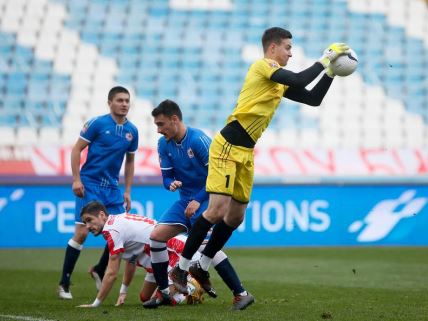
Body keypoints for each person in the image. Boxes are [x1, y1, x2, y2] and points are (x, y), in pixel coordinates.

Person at [170, 27, 350, 305]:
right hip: (227, 145)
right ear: (273, 48)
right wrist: (325, 59)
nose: (291, 52)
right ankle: (180, 269)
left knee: (235, 218)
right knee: (216, 211)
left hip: (245, 151)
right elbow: (301, 78)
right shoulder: (263, 66)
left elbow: (313, 99)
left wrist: (330, 73)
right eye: (288, 47)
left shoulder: (277, 81)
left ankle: (201, 267)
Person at [144, 100, 254, 310]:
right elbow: (166, 178)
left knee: (206, 247)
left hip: (207, 198)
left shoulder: (199, 140)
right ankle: (166, 293)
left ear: (174, 120)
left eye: (161, 124)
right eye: (156, 125)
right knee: (156, 237)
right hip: (185, 200)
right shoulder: (163, 144)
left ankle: (241, 293)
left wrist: (198, 198)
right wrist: (171, 184)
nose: (158, 130)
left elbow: (217, 175)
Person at [57, 86, 139, 299]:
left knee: (120, 231)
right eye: (119, 100)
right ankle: (64, 283)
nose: (124, 104)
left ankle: (99, 270)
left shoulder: (133, 131)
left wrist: (128, 191)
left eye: (126, 100)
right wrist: (76, 179)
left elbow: (130, 161)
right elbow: (76, 150)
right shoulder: (97, 124)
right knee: (83, 232)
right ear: (109, 103)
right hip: (90, 183)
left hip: (112, 188)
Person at [76, 201, 230, 307]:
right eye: (85, 223)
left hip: (174, 253)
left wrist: (96, 303)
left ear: (102, 215)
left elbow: (111, 273)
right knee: (144, 298)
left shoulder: (112, 230)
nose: (88, 226)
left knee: (166, 300)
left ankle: (193, 285)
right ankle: (184, 285)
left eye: (89, 220)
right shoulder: (116, 223)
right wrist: (123, 292)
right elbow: (130, 260)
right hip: (158, 262)